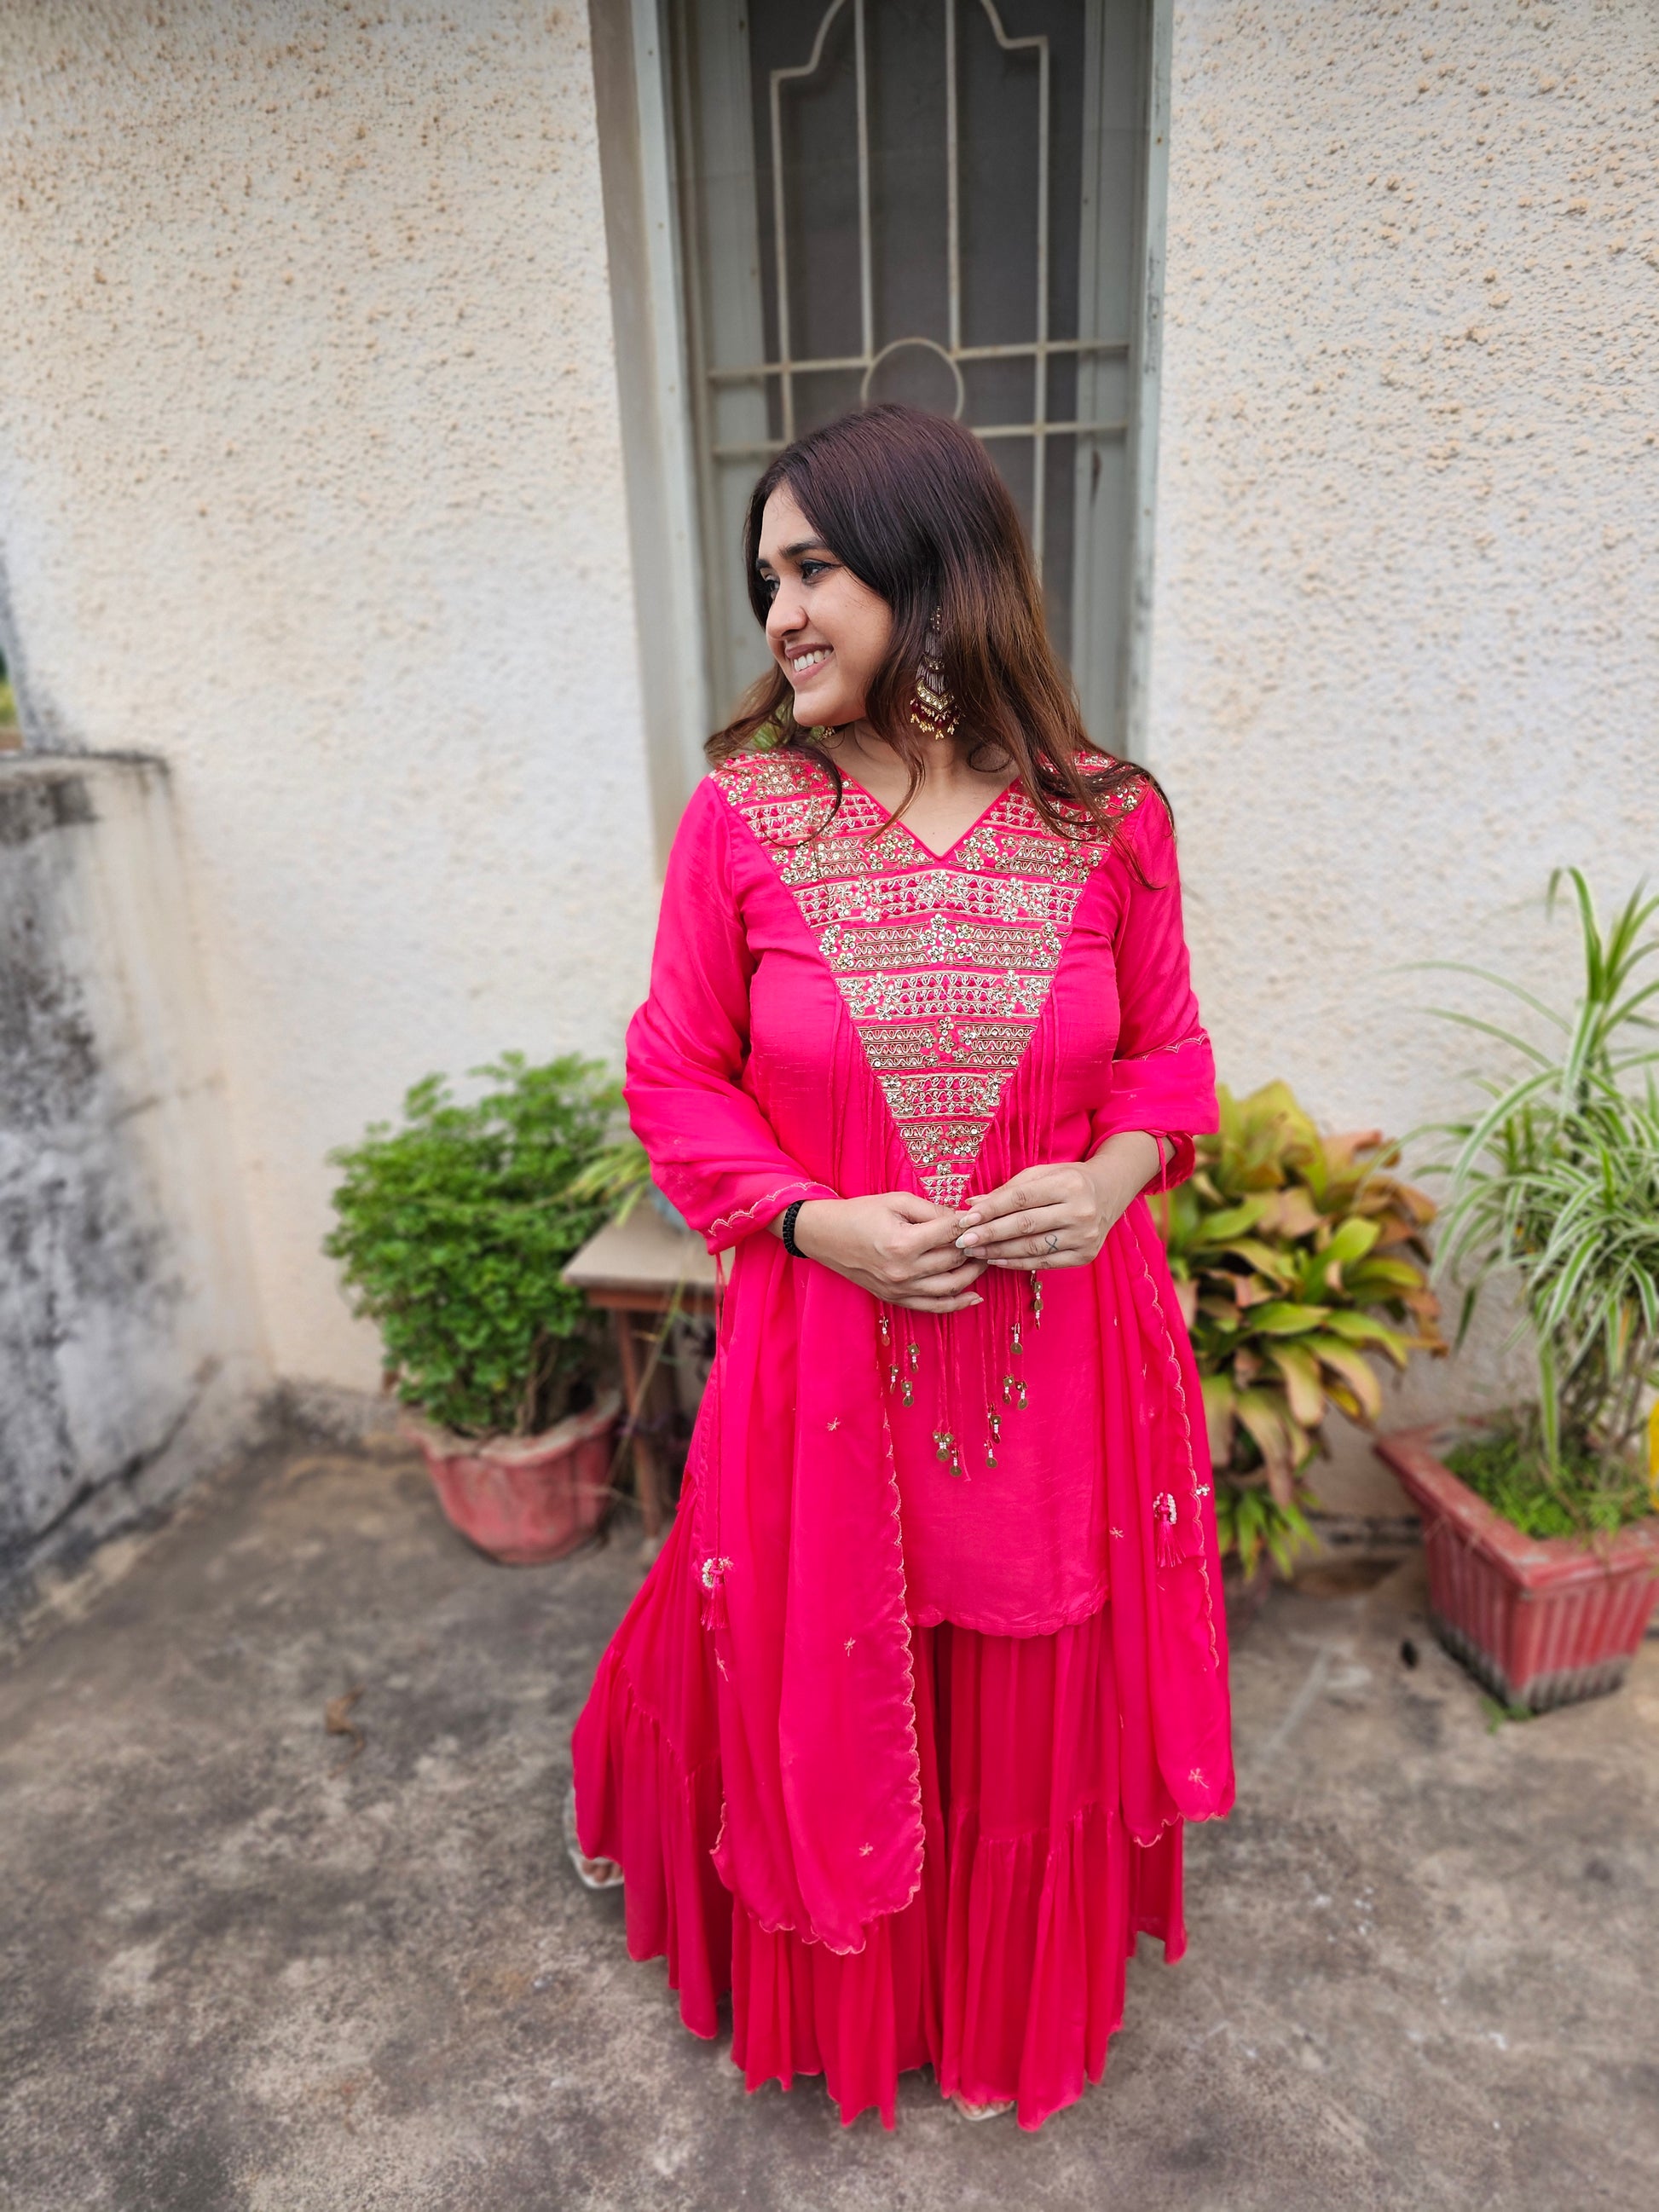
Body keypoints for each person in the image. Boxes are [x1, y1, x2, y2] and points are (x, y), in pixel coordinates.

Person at [570, 402, 1233, 2131]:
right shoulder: (743, 817)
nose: (778, 612)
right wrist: (813, 1220)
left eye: (812, 570)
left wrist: (1108, 1181)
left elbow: (1167, 1061)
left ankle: (993, 1998)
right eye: (765, 581)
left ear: (931, 566)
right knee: (818, 1644)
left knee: (1019, 1670)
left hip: (1056, 1354)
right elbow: (674, 1073)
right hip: (826, 1349)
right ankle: (844, 1969)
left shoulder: (1108, 818)